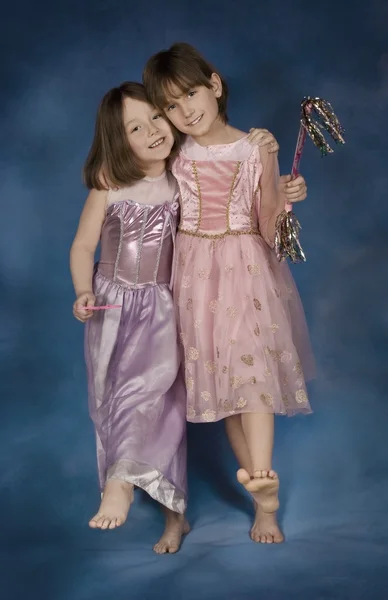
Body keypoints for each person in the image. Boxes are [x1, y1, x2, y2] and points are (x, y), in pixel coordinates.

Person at [69, 81, 282, 553]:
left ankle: (155, 507)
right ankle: (140, 496)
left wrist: (267, 159)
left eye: (156, 118)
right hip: (114, 310)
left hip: (165, 310)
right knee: (119, 399)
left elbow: (236, 192)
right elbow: (84, 245)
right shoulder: (110, 182)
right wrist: (83, 290)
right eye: (134, 128)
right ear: (117, 141)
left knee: (163, 409)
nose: (151, 132)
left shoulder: (182, 173)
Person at [143, 43, 315, 544]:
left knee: (254, 374)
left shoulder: (255, 146)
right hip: (193, 277)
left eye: (191, 94)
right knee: (227, 390)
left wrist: (285, 196)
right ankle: (260, 492)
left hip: (244, 269)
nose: (185, 111)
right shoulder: (175, 154)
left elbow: (268, 226)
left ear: (214, 85)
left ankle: (264, 488)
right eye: (171, 106)